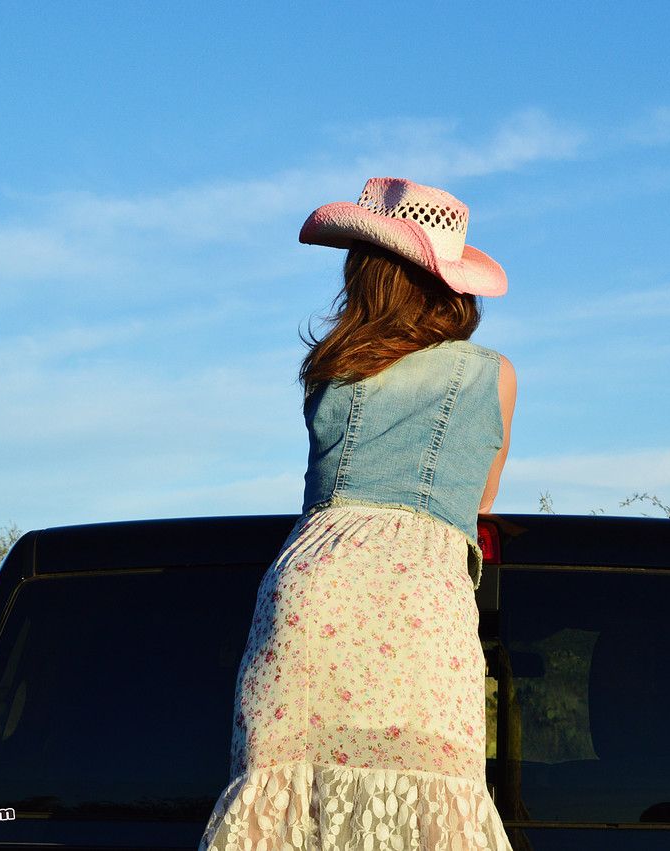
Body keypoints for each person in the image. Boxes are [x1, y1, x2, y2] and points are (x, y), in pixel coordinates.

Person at [200, 177, 516, 851]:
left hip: (309, 591)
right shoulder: (491, 374)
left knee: (288, 806)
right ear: (450, 284)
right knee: (430, 807)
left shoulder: (329, 370)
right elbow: (478, 503)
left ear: (366, 273)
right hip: (419, 603)